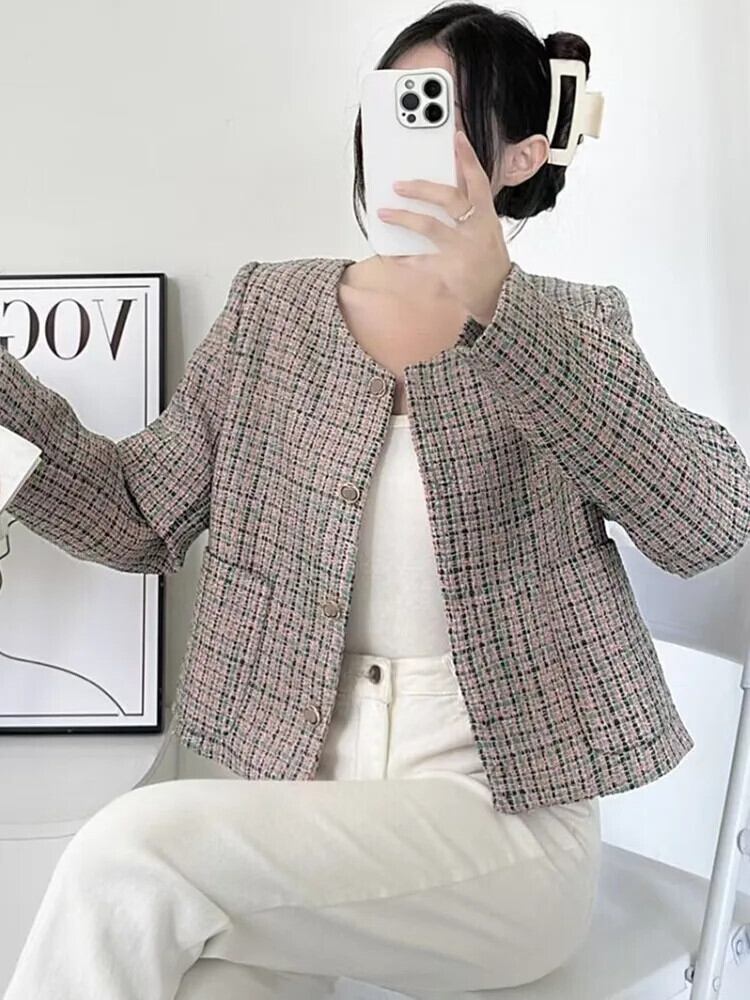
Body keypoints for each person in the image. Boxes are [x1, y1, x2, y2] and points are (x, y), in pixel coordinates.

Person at [4, 4, 624, 998]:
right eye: (394, 101)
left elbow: (708, 518)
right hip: (301, 813)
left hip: (501, 829)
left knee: (131, 854)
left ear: (520, 156)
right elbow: (136, 515)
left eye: (439, 108)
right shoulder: (273, 311)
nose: (403, 130)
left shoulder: (574, 330)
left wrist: (500, 307)